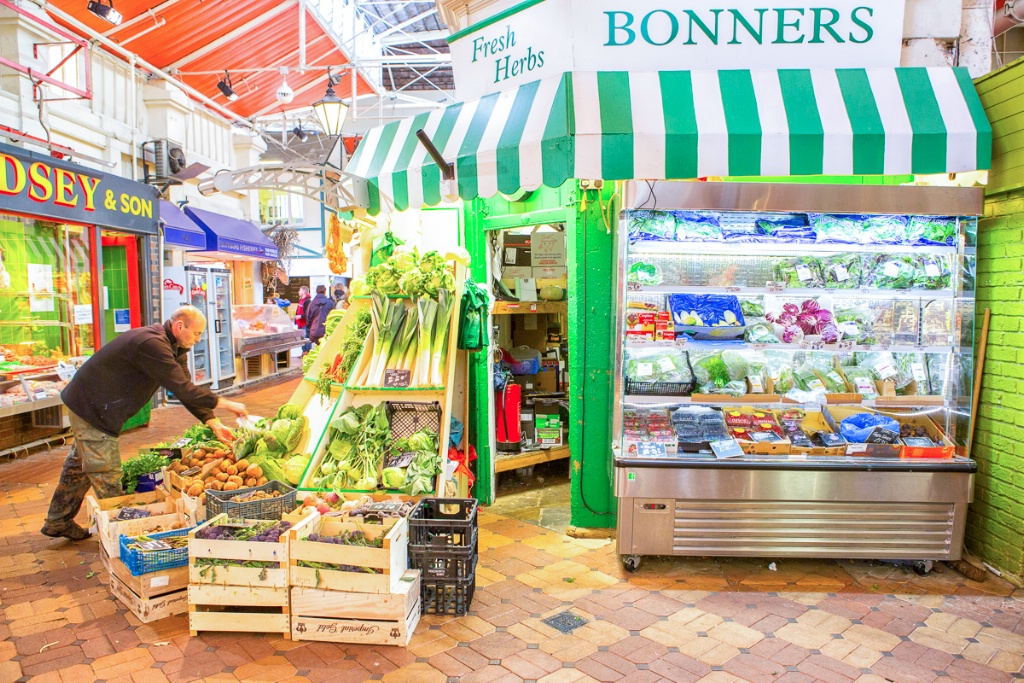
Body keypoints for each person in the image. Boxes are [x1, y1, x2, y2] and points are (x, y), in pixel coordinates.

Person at [42, 306, 248, 541]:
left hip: (95, 406)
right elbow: (182, 387)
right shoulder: (152, 344)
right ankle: (124, 539)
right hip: (92, 408)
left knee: (79, 467)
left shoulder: (175, 347)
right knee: (107, 473)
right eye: (197, 333)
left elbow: (184, 386)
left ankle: (57, 521)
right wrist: (225, 402)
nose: (198, 339)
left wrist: (211, 421)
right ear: (180, 326)